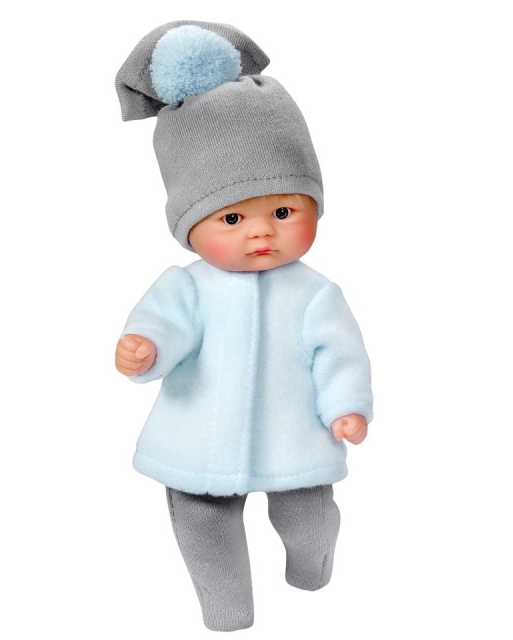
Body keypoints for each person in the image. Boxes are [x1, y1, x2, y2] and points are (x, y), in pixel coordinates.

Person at [114, 21, 373, 632]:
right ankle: (226, 609)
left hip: (295, 435)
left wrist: (345, 406)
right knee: (202, 523)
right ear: (188, 224)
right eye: (231, 218)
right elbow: (164, 324)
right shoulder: (186, 286)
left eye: (283, 211)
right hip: (198, 438)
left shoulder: (315, 293)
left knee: (307, 517)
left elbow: (340, 353)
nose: (260, 231)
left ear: (314, 208)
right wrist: (145, 348)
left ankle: (311, 568)